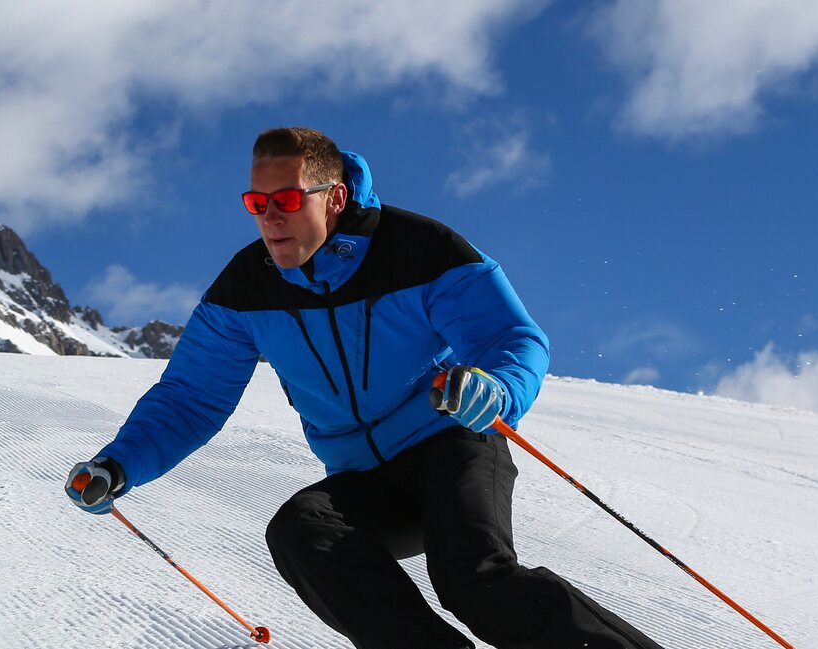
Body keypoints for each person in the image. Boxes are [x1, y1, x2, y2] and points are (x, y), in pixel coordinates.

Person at [64, 127, 664, 649]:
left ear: (335, 197)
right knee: (302, 531)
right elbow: (191, 397)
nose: (269, 216)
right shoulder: (245, 291)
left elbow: (510, 335)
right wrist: (119, 465)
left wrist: (497, 388)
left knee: (472, 579)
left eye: (287, 200)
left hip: (451, 442)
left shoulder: (420, 250)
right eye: (256, 202)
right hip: (365, 478)